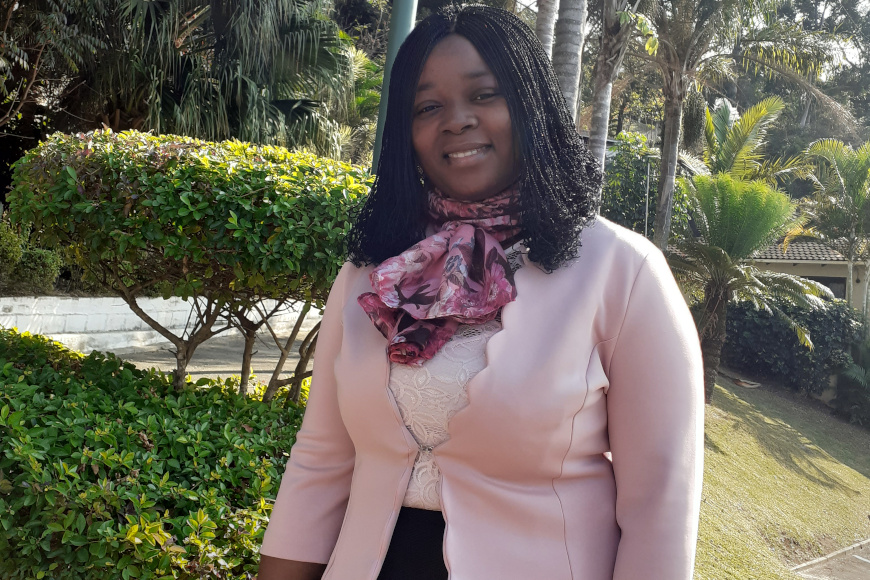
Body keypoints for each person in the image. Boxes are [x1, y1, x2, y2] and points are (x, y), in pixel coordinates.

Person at [257, 5, 704, 580]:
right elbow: (320, 459)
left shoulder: (623, 272)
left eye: (484, 94)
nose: (457, 120)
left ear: (531, 107)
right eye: (427, 106)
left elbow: (659, 507)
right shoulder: (372, 271)